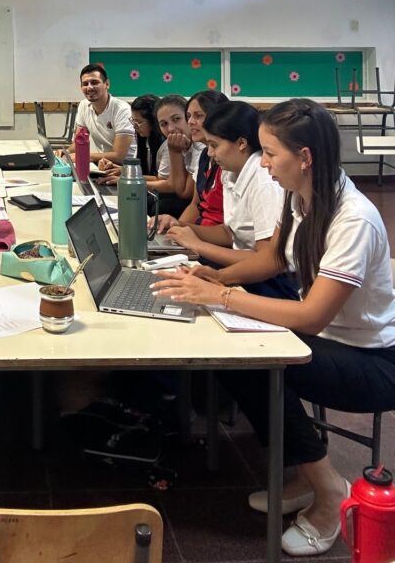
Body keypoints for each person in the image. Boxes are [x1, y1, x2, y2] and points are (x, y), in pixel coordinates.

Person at [151, 99, 395, 556]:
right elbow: (272, 259)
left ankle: (330, 492)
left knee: (255, 362)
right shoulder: (301, 195)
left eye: (270, 153)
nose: (263, 163)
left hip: (373, 362)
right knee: (231, 351)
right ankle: (306, 475)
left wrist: (222, 297)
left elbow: (312, 316)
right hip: (330, 340)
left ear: (305, 157)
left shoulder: (353, 219)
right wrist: (216, 277)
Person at [165, 101, 295, 298]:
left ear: (241, 143)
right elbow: (229, 232)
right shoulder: (231, 171)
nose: (209, 152)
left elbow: (267, 261)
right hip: (242, 270)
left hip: (270, 282)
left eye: (214, 145)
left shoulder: (264, 182)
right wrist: (180, 226)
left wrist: (198, 246)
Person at [155, 90, 228, 231]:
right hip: (203, 230)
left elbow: (183, 192)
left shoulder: (209, 151)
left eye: (198, 116)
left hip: (214, 236)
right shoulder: (205, 154)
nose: (191, 122)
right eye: (188, 116)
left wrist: (175, 152)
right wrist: (176, 229)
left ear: (219, 117)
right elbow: (196, 204)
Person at [65, 64, 136, 165]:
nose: (89, 87)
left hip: (124, 168)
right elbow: (79, 143)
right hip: (102, 165)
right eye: (85, 84)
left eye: (94, 82)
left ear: (107, 84)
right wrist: (65, 152)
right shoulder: (83, 105)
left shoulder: (122, 110)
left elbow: (119, 156)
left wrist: (84, 156)